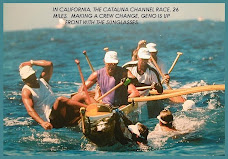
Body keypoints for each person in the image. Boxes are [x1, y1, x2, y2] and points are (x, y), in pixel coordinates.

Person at [19, 60, 93, 130]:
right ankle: (91, 108)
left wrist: (31, 62)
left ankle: (99, 109)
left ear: (34, 74)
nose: (32, 80)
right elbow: (30, 110)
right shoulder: (26, 91)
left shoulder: (43, 80)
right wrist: (43, 123)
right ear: (24, 80)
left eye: (32, 77)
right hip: (52, 119)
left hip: (59, 111)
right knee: (61, 100)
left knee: (82, 94)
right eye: (28, 79)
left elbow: (49, 64)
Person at [72, 50, 140, 107]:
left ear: (117, 63)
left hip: (121, 106)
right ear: (104, 61)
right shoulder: (97, 74)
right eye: (109, 64)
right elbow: (82, 90)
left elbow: (135, 83)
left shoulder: (123, 72)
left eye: (114, 64)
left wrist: (128, 80)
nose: (112, 66)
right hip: (104, 106)